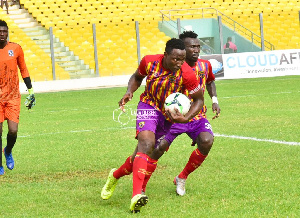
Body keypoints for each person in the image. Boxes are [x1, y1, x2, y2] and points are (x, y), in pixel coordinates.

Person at [101, 38, 204, 213]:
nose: (179, 63)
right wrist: (129, 92)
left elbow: (199, 100)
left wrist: (185, 118)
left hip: (168, 116)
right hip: (148, 105)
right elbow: (137, 76)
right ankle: (136, 195)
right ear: (165, 55)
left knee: (139, 158)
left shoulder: (187, 74)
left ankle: (115, 175)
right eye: (175, 59)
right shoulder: (149, 62)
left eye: (182, 59)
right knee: (146, 144)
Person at [150, 31, 221, 196]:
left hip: (196, 115)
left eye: (198, 46)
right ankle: (141, 185)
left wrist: (215, 100)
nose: (196, 50)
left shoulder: (205, 65)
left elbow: (209, 82)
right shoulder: (173, 68)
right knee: (158, 149)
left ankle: (182, 177)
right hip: (174, 117)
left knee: (206, 141)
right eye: (192, 47)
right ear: (182, 49)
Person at [0, 20, 36, 175]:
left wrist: (31, 91)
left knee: (13, 131)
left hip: (13, 97)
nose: (2, 34)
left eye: (4, 31)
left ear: (8, 33)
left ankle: (7, 150)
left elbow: (24, 69)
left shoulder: (15, 48)